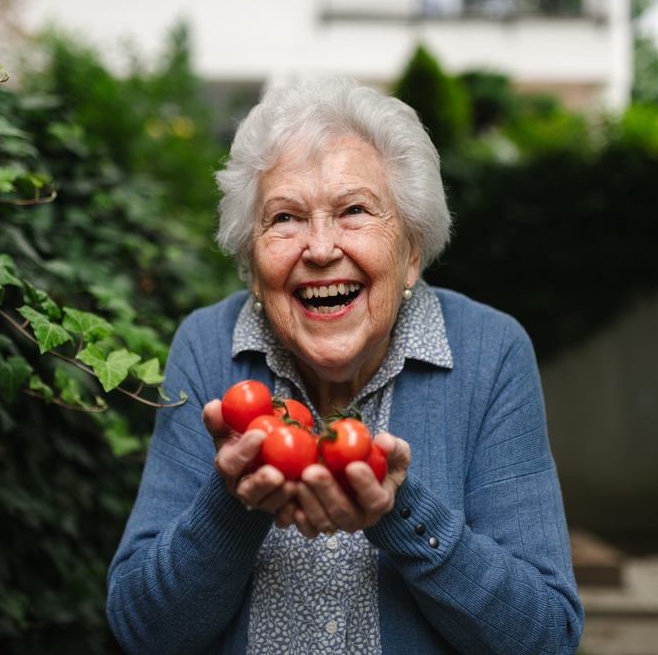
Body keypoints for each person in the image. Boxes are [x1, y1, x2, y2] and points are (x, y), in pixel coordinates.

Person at [106, 77, 583, 655]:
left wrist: (401, 513)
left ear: (410, 252)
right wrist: (232, 503)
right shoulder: (208, 347)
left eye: (354, 209)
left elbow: (546, 636)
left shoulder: (490, 351)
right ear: (253, 265)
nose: (321, 248)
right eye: (285, 218)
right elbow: (141, 629)